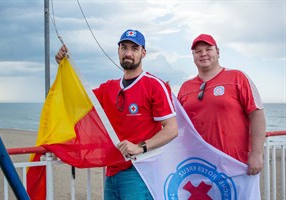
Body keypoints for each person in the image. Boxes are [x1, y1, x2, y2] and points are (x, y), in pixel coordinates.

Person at [55, 29, 178, 199]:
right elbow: (78, 101)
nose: (128, 53)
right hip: (112, 170)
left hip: (139, 172)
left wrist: (139, 147)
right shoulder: (108, 88)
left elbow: (171, 129)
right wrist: (64, 66)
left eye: (134, 49)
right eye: (124, 47)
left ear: (143, 53)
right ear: (118, 51)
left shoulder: (154, 85)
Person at [177, 34, 266, 176]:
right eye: (198, 51)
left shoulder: (237, 77)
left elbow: (257, 115)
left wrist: (256, 154)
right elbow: (178, 125)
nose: (203, 54)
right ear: (193, 56)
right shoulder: (185, 88)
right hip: (198, 166)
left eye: (208, 49)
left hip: (235, 164)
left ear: (217, 52)